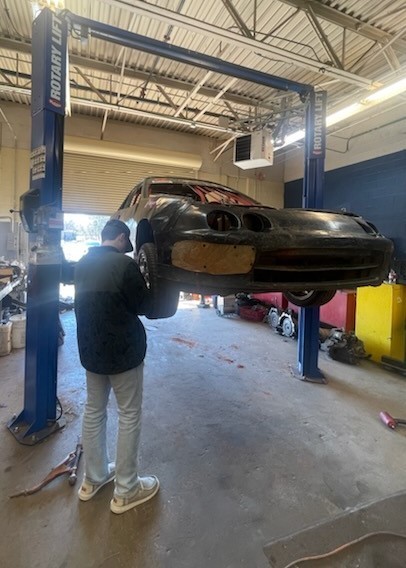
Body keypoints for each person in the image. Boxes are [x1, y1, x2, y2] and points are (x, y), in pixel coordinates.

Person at [74, 219, 159, 514]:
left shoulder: (82, 264)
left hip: (91, 352)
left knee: (93, 411)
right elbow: (145, 307)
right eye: (127, 243)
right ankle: (126, 489)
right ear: (122, 238)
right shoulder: (124, 265)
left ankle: (93, 478)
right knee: (129, 414)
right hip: (123, 353)